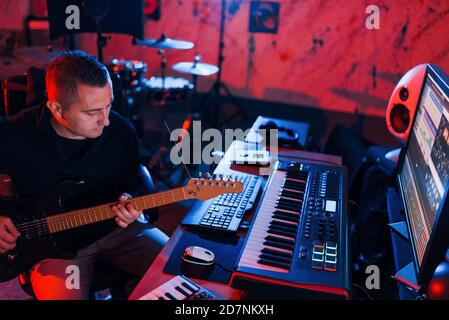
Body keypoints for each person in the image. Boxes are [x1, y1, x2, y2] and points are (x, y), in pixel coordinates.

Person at [0, 50, 169, 299]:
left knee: (185, 272)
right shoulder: (15, 135)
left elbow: (136, 182)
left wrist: (132, 201)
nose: (106, 120)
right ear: (57, 108)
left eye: (108, 105)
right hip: (53, 248)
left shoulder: (121, 132)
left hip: (117, 230)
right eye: (92, 113)